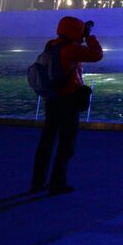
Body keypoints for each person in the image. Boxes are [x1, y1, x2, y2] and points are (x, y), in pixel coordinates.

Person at [31, 15, 102, 194]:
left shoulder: (52, 45)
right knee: (66, 144)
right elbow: (97, 55)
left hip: (51, 100)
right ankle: (58, 182)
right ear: (75, 31)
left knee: (46, 142)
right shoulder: (71, 49)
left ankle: (37, 182)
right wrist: (88, 37)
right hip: (68, 101)